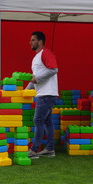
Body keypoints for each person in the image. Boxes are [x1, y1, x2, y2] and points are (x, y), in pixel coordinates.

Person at [27, 31, 58, 159]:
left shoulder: (46, 53)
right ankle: (50, 149)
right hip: (43, 94)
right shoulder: (36, 57)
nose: (30, 42)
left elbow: (54, 69)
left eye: (33, 40)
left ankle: (34, 150)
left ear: (40, 41)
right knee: (47, 122)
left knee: (38, 120)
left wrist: (37, 79)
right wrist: (25, 91)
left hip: (47, 94)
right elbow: (34, 78)